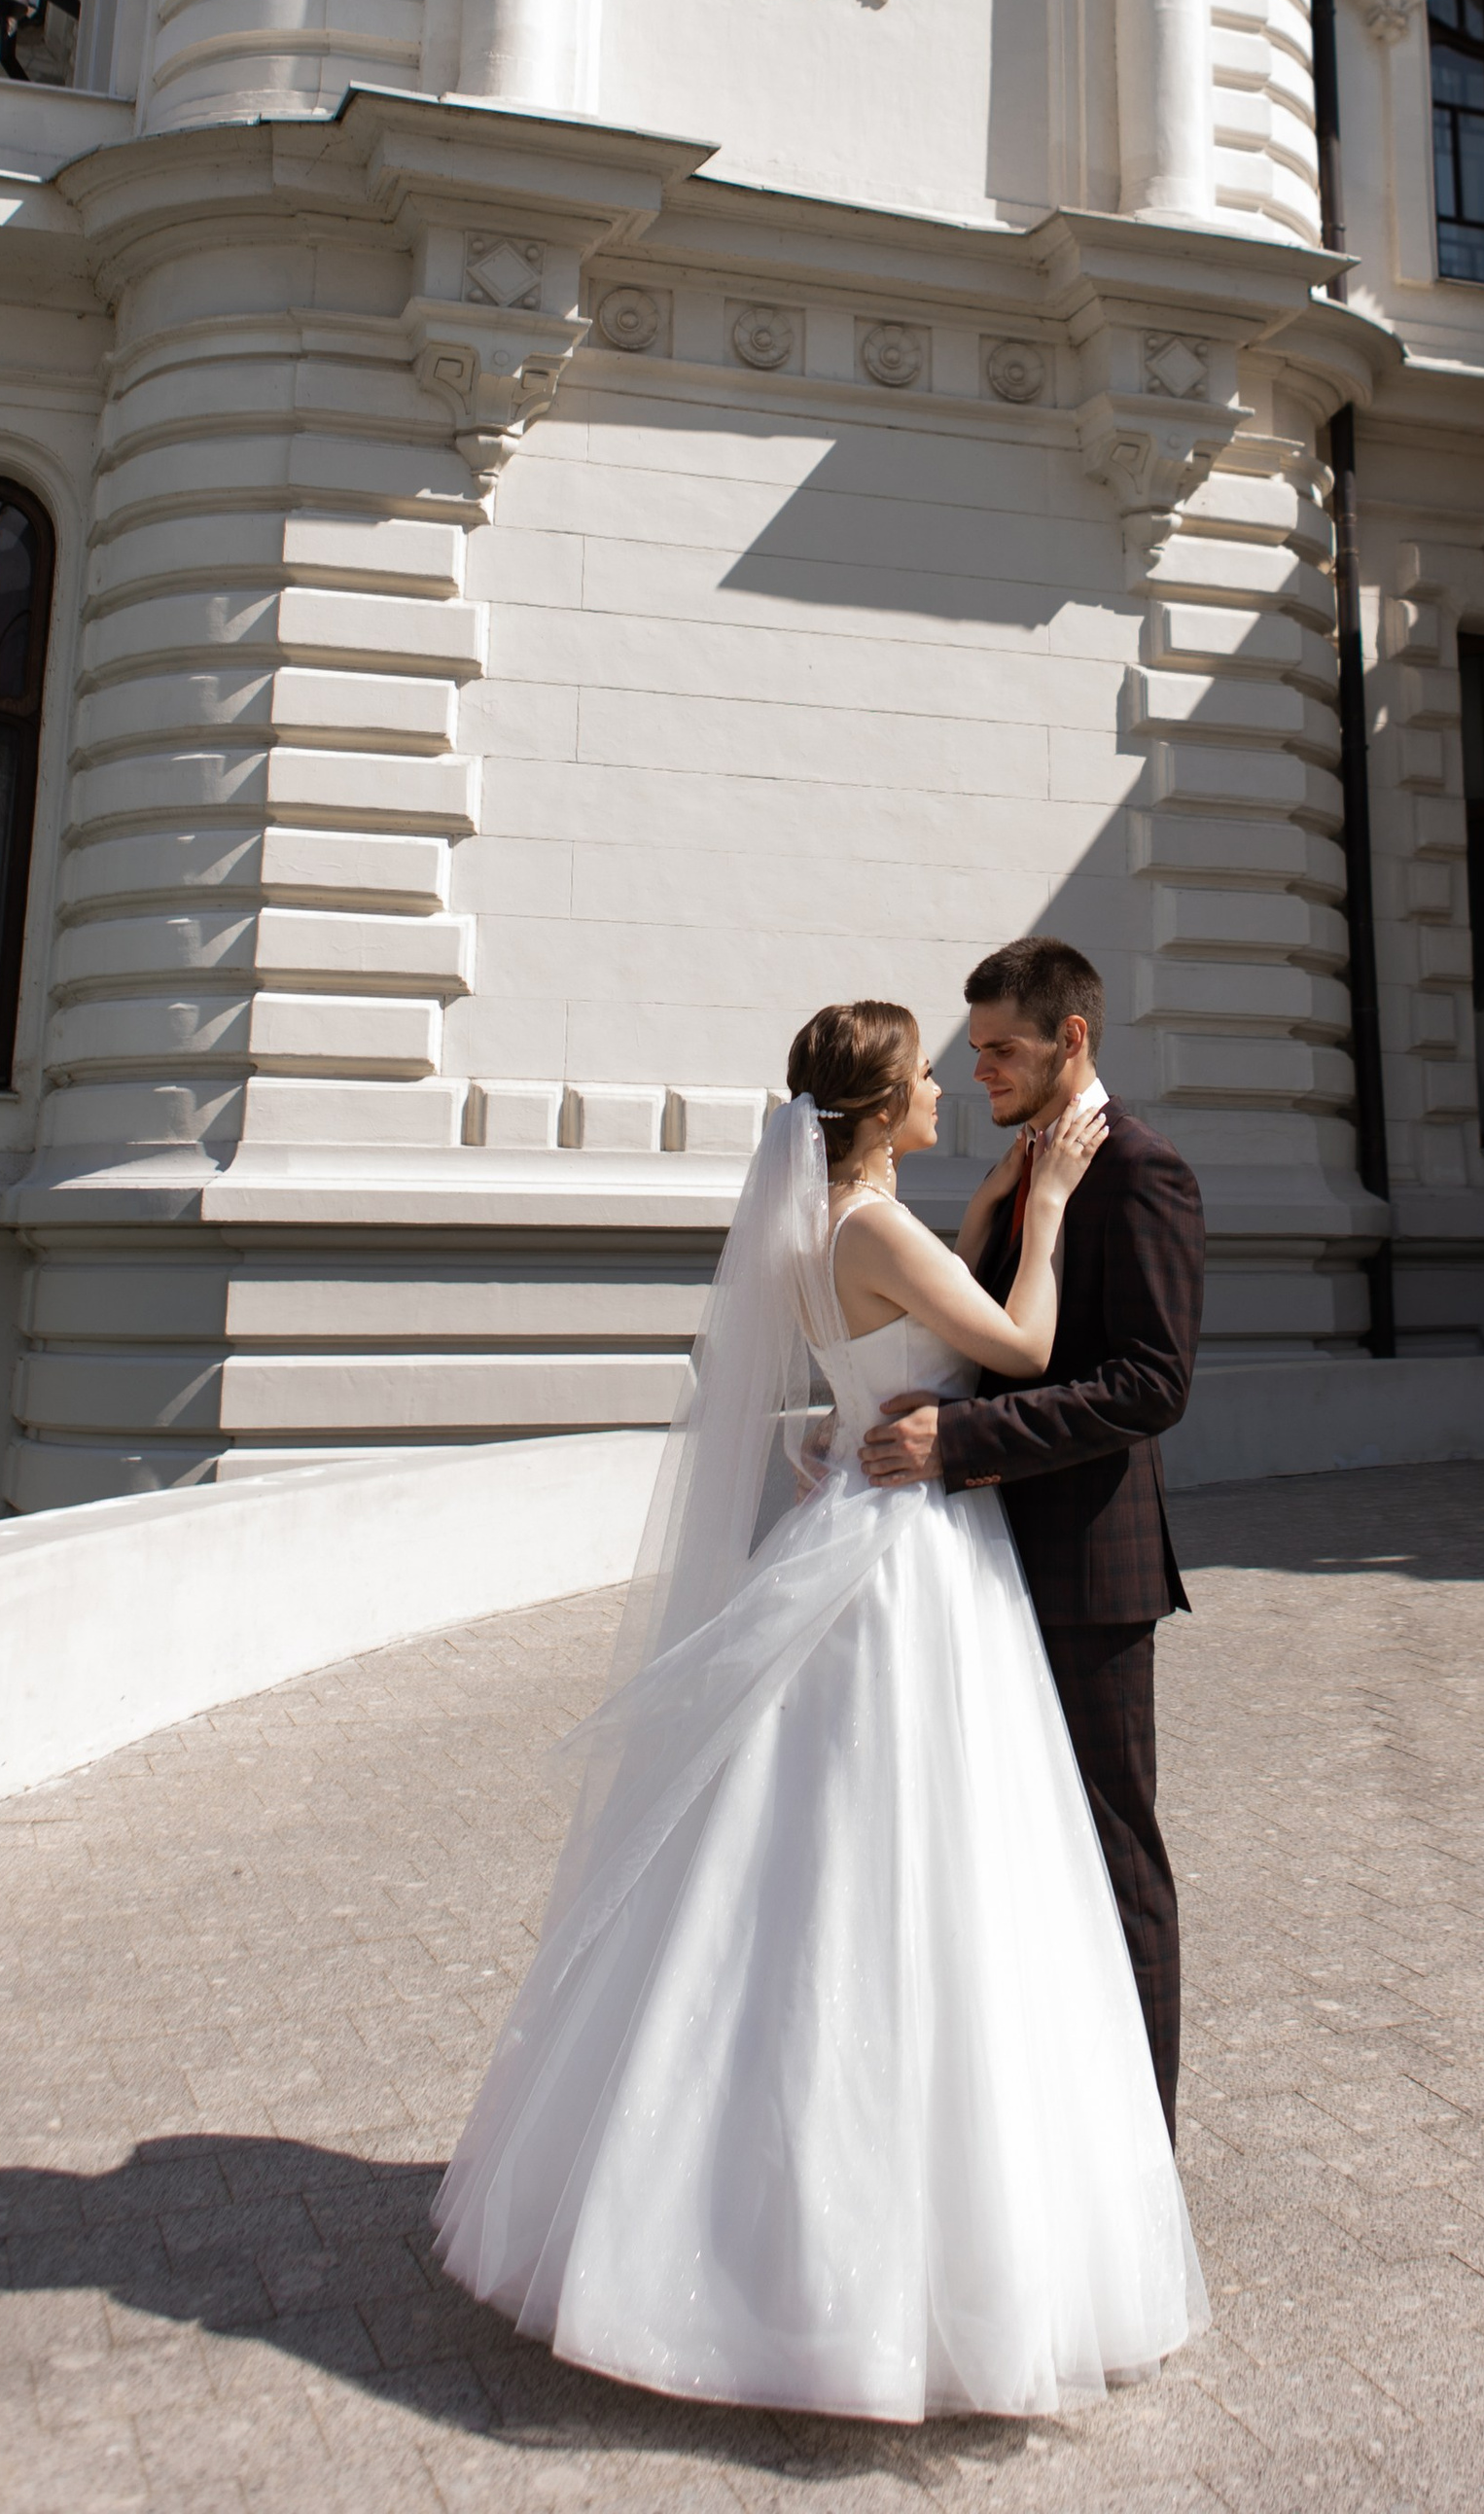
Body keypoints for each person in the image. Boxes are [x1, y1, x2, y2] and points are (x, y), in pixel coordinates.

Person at [432, 997, 1208, 2423]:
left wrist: (981, 1210)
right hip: (918, 1563)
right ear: (881, 1105)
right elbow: (1023, 1344)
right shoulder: (875, 1229)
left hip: (866, 1518)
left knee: (805, 1869)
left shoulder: (817, 1229)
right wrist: (1039, 1216)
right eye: (926, 1077)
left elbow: (871, 1371)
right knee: (929, 1863)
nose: (946, 1090)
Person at [860, 938, 1204, 2133]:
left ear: (1072, 1038)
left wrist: (959, 1438)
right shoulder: (1018, 1173)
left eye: (1001, 1049)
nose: (982, 1072)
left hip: (1087, 1571)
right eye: (974, 1052)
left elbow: (1150, 1385)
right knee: (1008, 1853)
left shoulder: (1144, 1172)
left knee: (1112, 1857)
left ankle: (1142, 2152)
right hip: (981, 1562)